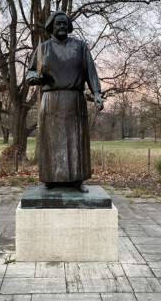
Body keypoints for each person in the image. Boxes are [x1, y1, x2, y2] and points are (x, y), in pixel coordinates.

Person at [26, 11, 103, 193]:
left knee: (76, 141)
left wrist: (97, 93)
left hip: (74, 100)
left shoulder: (80, 47)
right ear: (51, 27)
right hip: (50, 101)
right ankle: (50, 178)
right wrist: (33, 79)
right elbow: (30, 72)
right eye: (58, 24)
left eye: (64, 24)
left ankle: (77, 179)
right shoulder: (43, 48)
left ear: (68, 26)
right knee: (51, 141)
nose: (61, 27)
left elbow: (91, 72)